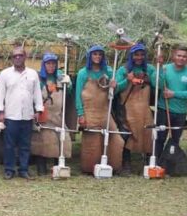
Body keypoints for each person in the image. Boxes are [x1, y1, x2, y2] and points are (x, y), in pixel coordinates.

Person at [0, 46, 43, 179]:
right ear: (11, 58)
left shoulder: (32, 74)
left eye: (20, 55)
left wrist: (38, 109)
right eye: (15, 56)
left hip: (27, 115)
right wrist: (0, 112)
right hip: (11, 115)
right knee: (9, 145)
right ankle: (9, 170)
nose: (17, 58)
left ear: (25, 57)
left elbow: (37, 93)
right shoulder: (5, 74)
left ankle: (23, 169)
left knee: (25, 145)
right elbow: (0, 94)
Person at [75, 45, 124, 174]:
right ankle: (89, 168)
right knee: (93, 143)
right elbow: (78, 95)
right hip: (89, 112)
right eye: (95, 54)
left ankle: (114, 166)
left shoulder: (107, 71)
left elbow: (115, 90)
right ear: (90, 56)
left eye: (100, 54)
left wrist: (115, 85)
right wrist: (80, 114)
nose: (97, 57)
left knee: (116, 139)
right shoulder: (83, 73)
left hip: (105, 112)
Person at [115, 43, 155, 175]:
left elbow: (157, 83)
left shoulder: (150, 69)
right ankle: (126, 164)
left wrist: (155, 73)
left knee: (148, 133)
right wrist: (127, 80)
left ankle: (150, 163)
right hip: (128, 108)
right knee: (128, 134)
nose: (139, 57)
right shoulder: (123, 70)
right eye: (136, 54)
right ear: (131, 56)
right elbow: (115, 89)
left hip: (144, 108)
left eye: (142, 54)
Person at [30, 52, 72, 175]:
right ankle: (41, 168)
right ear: (44, 64)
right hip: (44, 116)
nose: (51, 66)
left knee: (63, 140)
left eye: (53, 63)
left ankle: (58, 166)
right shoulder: (38, 79)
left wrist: (68, 84)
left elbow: (68, 93)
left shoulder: (60, 78)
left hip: (58, 116)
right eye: (48, 63)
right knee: (44, 142)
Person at [155, 45, 187, 158]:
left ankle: (170, 164)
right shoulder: (165, 68)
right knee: (160, 138)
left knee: (175, 140)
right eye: (179, 55)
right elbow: (157, 84)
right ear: (174, 56)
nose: (181, 58)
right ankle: (156, 163)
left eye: (184, 56)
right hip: (164, 109)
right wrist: (159, 66)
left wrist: (174, 94)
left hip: (181, 112)